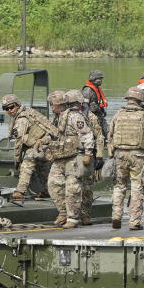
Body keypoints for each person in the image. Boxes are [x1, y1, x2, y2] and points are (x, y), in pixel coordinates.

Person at [107, 87, 144, 231]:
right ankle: (134, 222)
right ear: (140, 100)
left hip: (120, 155)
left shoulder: (117, 115)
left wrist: (112, 152)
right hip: (137, 155)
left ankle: (116, 216)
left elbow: (110, 135)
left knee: (119, 185)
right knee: (137, 187)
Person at [44, 89, 95, 229]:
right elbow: (54, 134)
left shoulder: (74, 117)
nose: (51, 106)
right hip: (60, 157)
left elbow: (87, 134)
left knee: (72, 188)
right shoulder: (57, 118)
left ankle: (73, 218)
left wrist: (88, 153)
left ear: (60, 104)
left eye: (52, 104)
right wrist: (43, 141)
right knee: (53, 185)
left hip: (74, 157)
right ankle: (63, 212)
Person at [2, 93, 54, 201]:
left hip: (41, 144)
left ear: (17, 105)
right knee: (42, 168)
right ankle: (49, 191)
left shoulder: (21, 119)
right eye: (6, 109)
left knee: (27, 161)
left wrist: (17, 160)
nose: (9, 110)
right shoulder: (28, 112)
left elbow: (19, 142)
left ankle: (20, 191)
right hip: (47, 143)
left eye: (11, 107)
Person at [67, 89, 105, 226]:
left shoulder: (90, 117)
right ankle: (71, 215)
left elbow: (99, 136)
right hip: (72, 155)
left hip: (88, 155)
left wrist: (99, 156)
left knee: (87, 188)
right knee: (71, 187)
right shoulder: (67, 116)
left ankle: (86, 215)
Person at [82, 69, 109, 138]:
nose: (100, 81)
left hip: (98, 114)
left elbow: (99, 102)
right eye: (98, 79)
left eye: (101, 79)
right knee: (97, 135)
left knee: (108, 132)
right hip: (91, 115)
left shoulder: (97, 89)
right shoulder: (87, 90)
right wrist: (85, 118)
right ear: (92, 79)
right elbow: (85, 105)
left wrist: (103, 110)